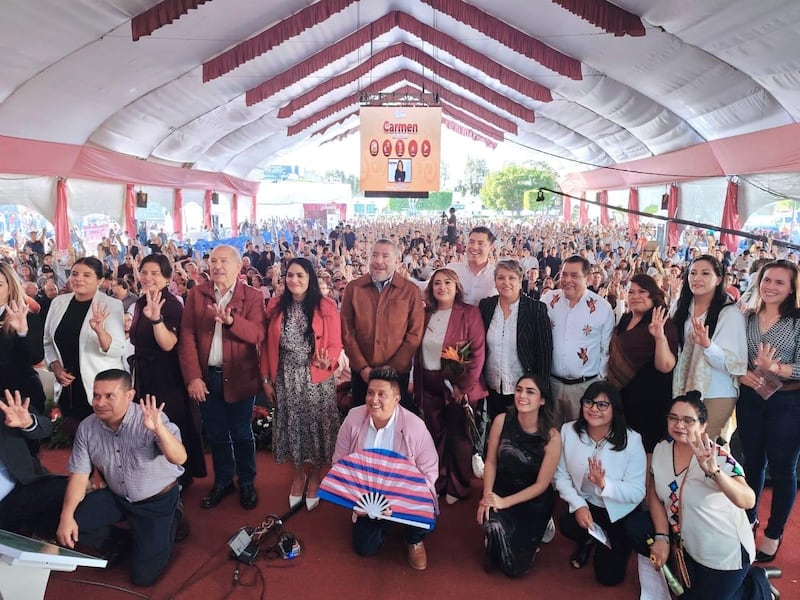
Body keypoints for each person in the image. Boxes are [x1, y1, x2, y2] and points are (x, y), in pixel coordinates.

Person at [56, 370, 187, 586]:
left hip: (156, 501)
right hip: (118, 497)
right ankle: (120, 540)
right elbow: (79, 475)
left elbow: (179, 457)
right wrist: (66, 516)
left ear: (129, 395)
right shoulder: (87, 427)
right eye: (96, 395)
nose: (99, 402)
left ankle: (174, 516)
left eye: (109, 396)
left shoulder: (152, 419)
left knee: (143, 577)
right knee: (72, 523)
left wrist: (160, 430)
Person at [178, 245, 265, 510]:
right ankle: (224, 480)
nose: (217, 266)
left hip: (241, 376)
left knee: (241, 432)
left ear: (239, 266)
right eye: (213, 260)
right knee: (216, 433)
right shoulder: (196, 294)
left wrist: (231, 323)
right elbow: (187, 338)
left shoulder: (252, 296)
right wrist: (193, 377)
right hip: (208, 377)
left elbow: (257, 334)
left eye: (224, 261)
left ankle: (247, 481)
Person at [646, 392, 757, 599]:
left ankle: (755, 586)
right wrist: (661, 536)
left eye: (688, 420)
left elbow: (748, 499)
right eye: (673, 418)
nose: (679, 425)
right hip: (689, 548)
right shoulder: (661, 449)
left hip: (725, 556)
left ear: (703, 426)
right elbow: (654, 494)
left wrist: (714, 472)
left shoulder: (718, 456)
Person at [332, 366, 438, 571]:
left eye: (382, 394)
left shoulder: (414, 427)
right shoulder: (354, 419)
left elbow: (429, 473)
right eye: (370, 393)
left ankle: (414, 539)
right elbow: (339, 464)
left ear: (397, 399)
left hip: (405, 495)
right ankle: (379, 527)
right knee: (365, 548)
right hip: (367, 497)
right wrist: (356, 499)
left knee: (427, 510)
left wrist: (398, 502)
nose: (373, 400)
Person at [261, 258, 342, 511]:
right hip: (286, 377)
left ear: (310, 278)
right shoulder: (275, 305)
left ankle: (315, 474)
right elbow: (266, 345)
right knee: (292, 425)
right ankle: (298, 475)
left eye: (300, 275)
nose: (294, 280)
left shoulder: (326, 306)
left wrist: (327, 361)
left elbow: (336, 344)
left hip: (316, 376)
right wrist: (265, 379)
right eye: (290, 275)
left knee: (317, 426)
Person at [737, 259, 800, 563]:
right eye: (767, 279)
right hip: (750, 399)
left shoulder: (797, 320)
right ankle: (749, 517)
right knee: (752, 462)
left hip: (787, 403)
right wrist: (741, 373)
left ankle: (774, 533)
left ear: (791, 289)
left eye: (780, 282)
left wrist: (775, 367)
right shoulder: (747, 315)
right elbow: (735, 354)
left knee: (783, 469)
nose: (771, 286)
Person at [553, 381, 646, 586]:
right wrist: (578, 506)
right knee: (567, 523)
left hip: (618, 511)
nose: (594, 409)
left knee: (609, 578)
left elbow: (637, 492)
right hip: (587, 504)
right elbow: (561, 476)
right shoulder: (568, 431)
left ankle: (613, 545)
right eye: (589, 402)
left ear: (615, 409)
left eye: (602, 405)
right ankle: (587, 539)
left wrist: (605, 484)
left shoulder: (632, 441)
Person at [130, 254, 206, 487]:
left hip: (167, 376)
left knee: (170, 423)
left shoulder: (171, 304)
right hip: (145, 374)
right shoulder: (142, 301)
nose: (148, 278)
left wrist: (156, 321)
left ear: (166, 277)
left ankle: (179, 476)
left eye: (155, 273)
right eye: (144, 272)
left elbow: (168, 343)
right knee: (150, 424)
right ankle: (157, 473)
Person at [414, 268, 487, 503]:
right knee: (434, 433)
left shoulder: (469, 313)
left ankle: (458, 486)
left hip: (460, 385)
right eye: (437, 283)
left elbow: (477, 353)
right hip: (429, 382)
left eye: (447, 282)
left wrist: (462, 386)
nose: (442, 287)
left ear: (457, 287)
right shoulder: (425, 314)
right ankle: (438, 480)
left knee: (459, 437)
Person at [478, 374, 560, 577]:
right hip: (503, 487)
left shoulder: (552, 437)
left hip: (534, 499)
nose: (522, 395)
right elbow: (490, 461)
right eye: (519, 389)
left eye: (530, 392)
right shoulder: (501, 421)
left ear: (542, 400)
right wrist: (487, 497)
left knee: (514, 570)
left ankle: (544, 525)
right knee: (492, 526)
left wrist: (505, 503)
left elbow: (542, 485)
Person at [44, 257, 126, 433]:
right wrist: (56, 367)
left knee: (105, 442)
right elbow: (47, 342)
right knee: (78, 438)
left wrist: (100, 331)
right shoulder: (58, 303)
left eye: (87, 275)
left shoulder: (111, 305)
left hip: (100, 386)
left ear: (100, 281)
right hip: (68, 386)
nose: (78, 279)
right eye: (74, 274)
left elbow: (117, 350)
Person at [340, 239, 424, 410]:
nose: (379, 261)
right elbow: (347, 332)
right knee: (362, 422)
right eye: (375, 255)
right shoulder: (353, 289)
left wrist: (393, 369)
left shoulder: (410, 291)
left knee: (395, 424)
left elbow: (414, 334)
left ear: (397, 262)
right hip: (361, 374)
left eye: (386, 256)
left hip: (397, 374)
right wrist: (363, 367)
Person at [671, 254, 746, 444]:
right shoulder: (680, 307)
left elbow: (732, 363)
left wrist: (707, 345)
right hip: (684, 388)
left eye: (705, 273)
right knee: (685, 445)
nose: (697, 278)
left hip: (716, 393)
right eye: (693, 273)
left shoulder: (730, 314)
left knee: (704, 446)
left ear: (719, 279)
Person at [607, 273, 679, 453]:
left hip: (649, 399)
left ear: (653, 296)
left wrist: (659, 338)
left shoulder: (664, 323)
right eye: (631, 292)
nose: (635, 296)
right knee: (622, 448)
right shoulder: (624, 319)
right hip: (622, 396)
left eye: (642, 291)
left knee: (645, 451)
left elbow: (666, 366)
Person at [542, 256, 615, 423]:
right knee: (552, 437)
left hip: (585, 387)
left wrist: (598, 384)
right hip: (551, 385)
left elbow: (606, 350)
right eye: (564, 274)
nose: (567, 280)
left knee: (581, 437)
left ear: (588, 278)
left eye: (574, 275)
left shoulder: (602, 308)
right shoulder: (548, 301)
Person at [478, 260, 552, 423]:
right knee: (496, 431)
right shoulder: (486, 306)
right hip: (492, 387)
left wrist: (541, 390)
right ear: (495, 281)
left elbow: (544, 353)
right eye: (501, 278)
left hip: (524, 389)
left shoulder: (536, 310)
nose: (506, 283)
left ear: (520, 281)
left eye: (512, 278)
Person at [0, 389, 68, 538]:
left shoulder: (7, 406)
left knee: (66, 489)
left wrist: (28, 423)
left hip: (16, 494)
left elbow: (45, 428)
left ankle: (43, 544)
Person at [0, 263, 45, 416]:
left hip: (19, 396)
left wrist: (22, 332)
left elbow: (35, 357)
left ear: (10, 288)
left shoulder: (27, 317)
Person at [446, 226, 497, 306]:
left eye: (480, 243)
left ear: (491, 248)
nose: (474, 247)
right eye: (471, 242)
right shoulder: (452, 269)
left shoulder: (497, 275)